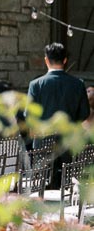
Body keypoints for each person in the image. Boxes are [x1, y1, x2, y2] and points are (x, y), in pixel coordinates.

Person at [28, 43, 89, 188]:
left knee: (42, 186)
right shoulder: (78, 84)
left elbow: (30, 116)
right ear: (65, 60)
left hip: (43, 143)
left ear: (46, 60)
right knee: (68, 184)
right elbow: (85, 113)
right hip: (69, 141)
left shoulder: (36, 84)